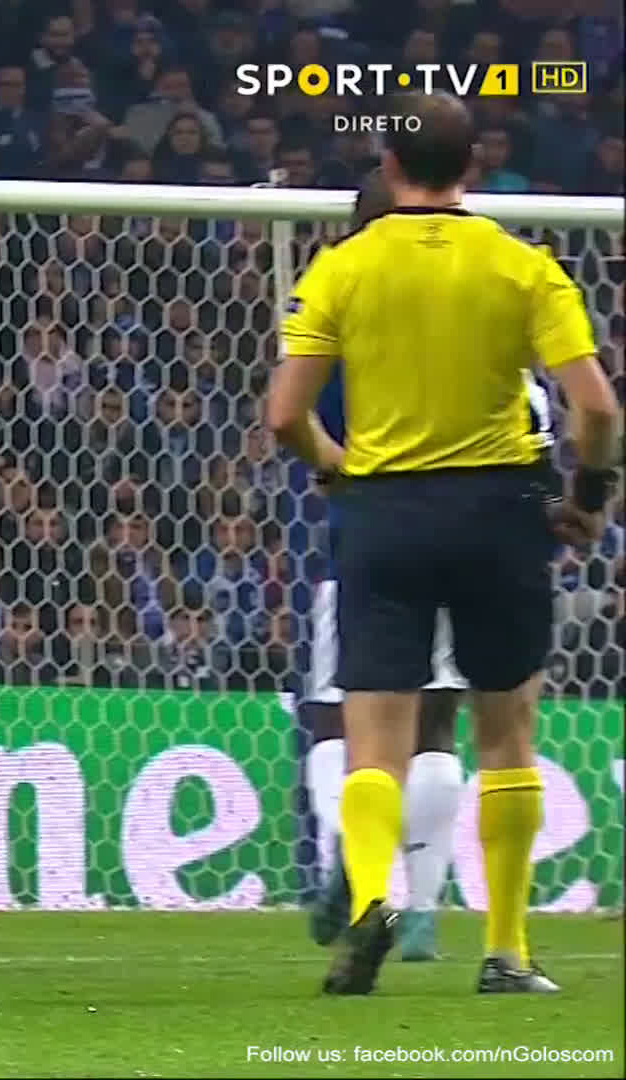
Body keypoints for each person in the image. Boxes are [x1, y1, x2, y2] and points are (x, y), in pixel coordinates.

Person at [268, 94, 622, 996]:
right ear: (474, 164)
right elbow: (596, 408)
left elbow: (284, 415)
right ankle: (506, 951)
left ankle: (370, 900)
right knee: (506, 736)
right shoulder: (522, 266)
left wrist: (335, 467)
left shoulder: (343, 267)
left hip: (385, 512)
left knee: (373, 739)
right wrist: (588, 499)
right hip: (499, 511)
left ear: (389, 163)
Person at [299, 170, 479, 962]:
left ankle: (355, 852)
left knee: (341, 721)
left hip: (367, 533)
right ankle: (426, 910)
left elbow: (293, 413)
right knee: (436, 722)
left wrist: (333, 466)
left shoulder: (333, 293)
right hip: (464, 532)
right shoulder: (476, 290)